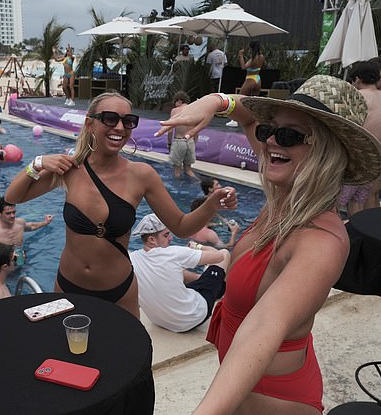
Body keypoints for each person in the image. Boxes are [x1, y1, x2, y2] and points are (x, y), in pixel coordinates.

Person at [154, 75, 381, 414]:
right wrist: (216, 102)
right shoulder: (286, 197)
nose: (271, 141)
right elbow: (247, 114)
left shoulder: (321, 240)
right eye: (269, 131)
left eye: (289, 135)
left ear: (326, 151)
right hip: (243, 382)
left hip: (273, 399)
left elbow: (265, 324)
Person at [5, 92, 237, 317]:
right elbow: (14, 197)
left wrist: (212, 204)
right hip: (68, 285)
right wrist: (37, 163)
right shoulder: (71, 169)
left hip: (118, 290)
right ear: (89, 124)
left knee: (121, 354)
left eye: (128, 121)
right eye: (110, 118)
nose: (119, 127)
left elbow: (181, 226)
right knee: (67, 355)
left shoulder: (141, 175)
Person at [129, 214, 229, 333]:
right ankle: (222, 290)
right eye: (166, 235)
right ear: (152, 240)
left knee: (176, 270)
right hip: (193, 318)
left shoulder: (132, 258)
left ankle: (206, 281)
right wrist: (197, 246)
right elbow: (219, 256)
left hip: (159, 321)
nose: (170, 238)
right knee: (226, 253)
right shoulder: (174, 253)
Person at [338, 60, 381, 215]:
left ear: (357, 78)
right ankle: (365, 236)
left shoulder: (356, 97)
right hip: (374, 162)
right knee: (358, 202)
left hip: (355, 160)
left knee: (334, 205)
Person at [168, 91, 197, 178]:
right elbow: (196, 130)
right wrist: (194, 143)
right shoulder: (194, 110)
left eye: (175, 102)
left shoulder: (174, 111)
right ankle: (198, 182)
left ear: (179, 100)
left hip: (179, 141)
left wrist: (169, 144)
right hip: (190, 141)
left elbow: (169, 131)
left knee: (177, 170)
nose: (175, 104)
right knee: (189, 170)